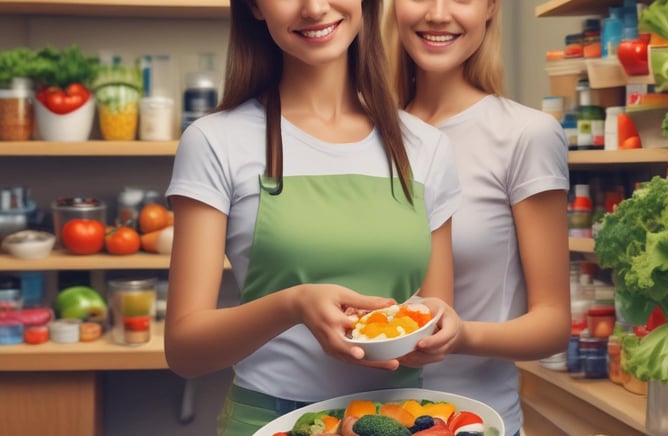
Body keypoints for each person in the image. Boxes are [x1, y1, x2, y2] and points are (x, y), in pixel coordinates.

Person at [163, 0, 462, 434]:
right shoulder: (215, 142)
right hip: (271, 421)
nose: (315, 7)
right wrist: (293, 304)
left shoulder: (426, 147)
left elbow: (433, 314)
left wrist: (439, 331)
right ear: (255, 7)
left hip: (401, 421)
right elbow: (186, 351)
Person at [384, 1, 572, 434]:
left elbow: (552, 324)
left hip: (475, 421)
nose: (437, 13)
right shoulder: (365, 134)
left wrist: (459, 335)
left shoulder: (526, 135)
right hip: (364, 415)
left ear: (490, 8)